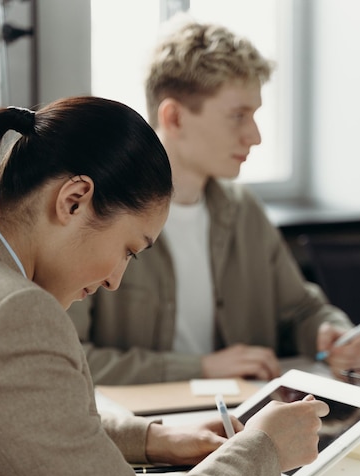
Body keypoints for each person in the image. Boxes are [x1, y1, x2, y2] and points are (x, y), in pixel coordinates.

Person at [0, 95, 328, 476]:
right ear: (74, 199)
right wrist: (263, 451)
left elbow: (5, 421)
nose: (115, 280)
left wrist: (152, 437)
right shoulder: (12, 314)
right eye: (128, 249)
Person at [68, 17, 359, 385]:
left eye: (254, 115)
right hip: (150, 428)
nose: (255, 136)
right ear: (173, 117)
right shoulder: (99, 214)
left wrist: (331, 333)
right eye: (238, 116)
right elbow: (71, 358)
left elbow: (302, 309)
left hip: (245, 420)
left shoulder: (244, 211)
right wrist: (202, 368)